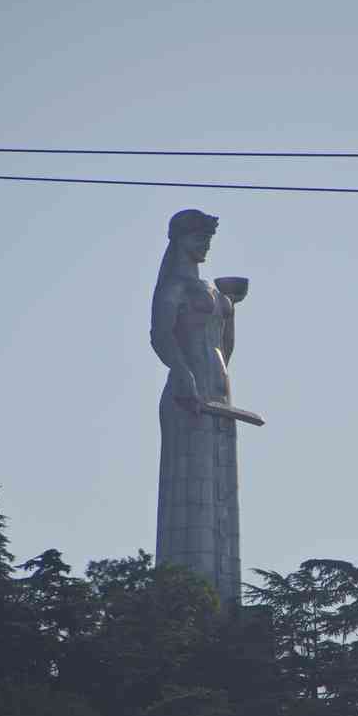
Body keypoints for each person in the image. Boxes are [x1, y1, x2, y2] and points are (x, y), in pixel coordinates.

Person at [150, 209, 240, 605]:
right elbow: (160, 335)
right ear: (178, 240)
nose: (204, 245)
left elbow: (226, 345)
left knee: (221, 489)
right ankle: (185, 602)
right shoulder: (176, 287)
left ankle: (223, 604)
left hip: (219, 391)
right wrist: (183, 373)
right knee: (192, 484)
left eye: (208, 238)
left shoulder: (211, 290)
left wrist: (230, 308)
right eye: (197, 237)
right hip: (188, 391)